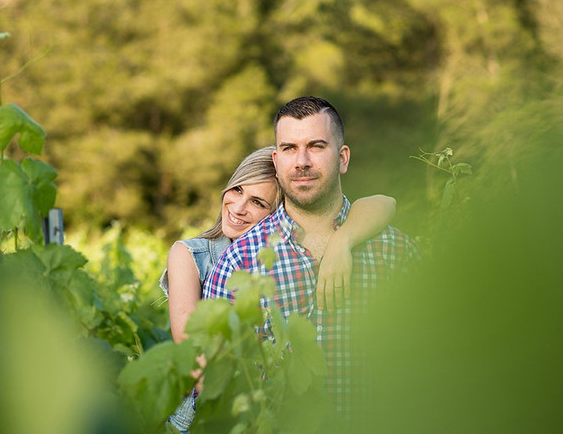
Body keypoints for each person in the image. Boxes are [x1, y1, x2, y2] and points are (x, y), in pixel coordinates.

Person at [202, 96, 422, 424]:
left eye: (316, 146)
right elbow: (218, 387)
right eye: (289, 148)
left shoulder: (397, 254)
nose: (302, 161)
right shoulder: (239, 263)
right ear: (276, 162)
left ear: (343, 157)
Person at [161, 145, 398, 432]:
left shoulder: (282, 256)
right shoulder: (191, 255)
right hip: (211, 415)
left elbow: (385, 203)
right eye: (237, 190)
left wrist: (342, 240)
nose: (238, 207)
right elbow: (195, 358)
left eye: (258, 203)